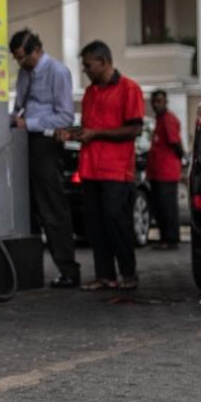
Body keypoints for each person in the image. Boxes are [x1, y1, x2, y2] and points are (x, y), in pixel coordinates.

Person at [60, 41, 144, 291]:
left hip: (117, 170)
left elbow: (134, 129)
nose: (85, 70)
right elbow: (87, 129)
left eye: (88, 65)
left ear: (104, 62)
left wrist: (95, 134)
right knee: (95, 224)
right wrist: (70, 133)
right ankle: (104, 275)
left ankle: (128, 273)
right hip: (91, 169)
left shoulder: (129, 89)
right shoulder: (90, 93)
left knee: (116, 220)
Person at [9, 29, 80, 288]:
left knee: (52, 207)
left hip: (46, 141)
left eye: (23, 57)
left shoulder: (57, 72)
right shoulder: (24, 73)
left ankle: (68, 268)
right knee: (29, 208)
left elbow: (65, 116)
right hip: (23, 139)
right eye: (17, 59)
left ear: (36, 51)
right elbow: (20, 105)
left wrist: (29, 123)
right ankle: (31, 269)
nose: (21, 63)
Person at [146, 89, 184, 250]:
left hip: (166, 172)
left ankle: (171, 239)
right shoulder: (160, 120)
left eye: (159, 101)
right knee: (161, 207)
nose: (156, 105)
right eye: (154, 102)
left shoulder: (168, 120)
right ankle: (165, 238)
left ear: (165, 102)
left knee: (167, 207)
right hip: (159, 171)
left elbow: (175, 143)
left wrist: (179, 160)